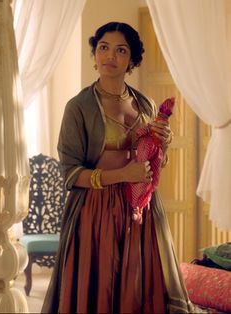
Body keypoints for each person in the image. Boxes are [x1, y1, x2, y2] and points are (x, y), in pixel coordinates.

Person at [42, 21, 195, 313]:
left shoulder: (146, 104)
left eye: (120, 50)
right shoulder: (78, 107)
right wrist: (123, 175)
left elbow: (155, 163)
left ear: (132, 60)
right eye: (103, 48)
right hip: (95, 213)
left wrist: (164, 143)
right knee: (101, 285)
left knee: (139, 286)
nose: (110, 56)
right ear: (95, 54)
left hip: (142, 212)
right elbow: (70, 173)